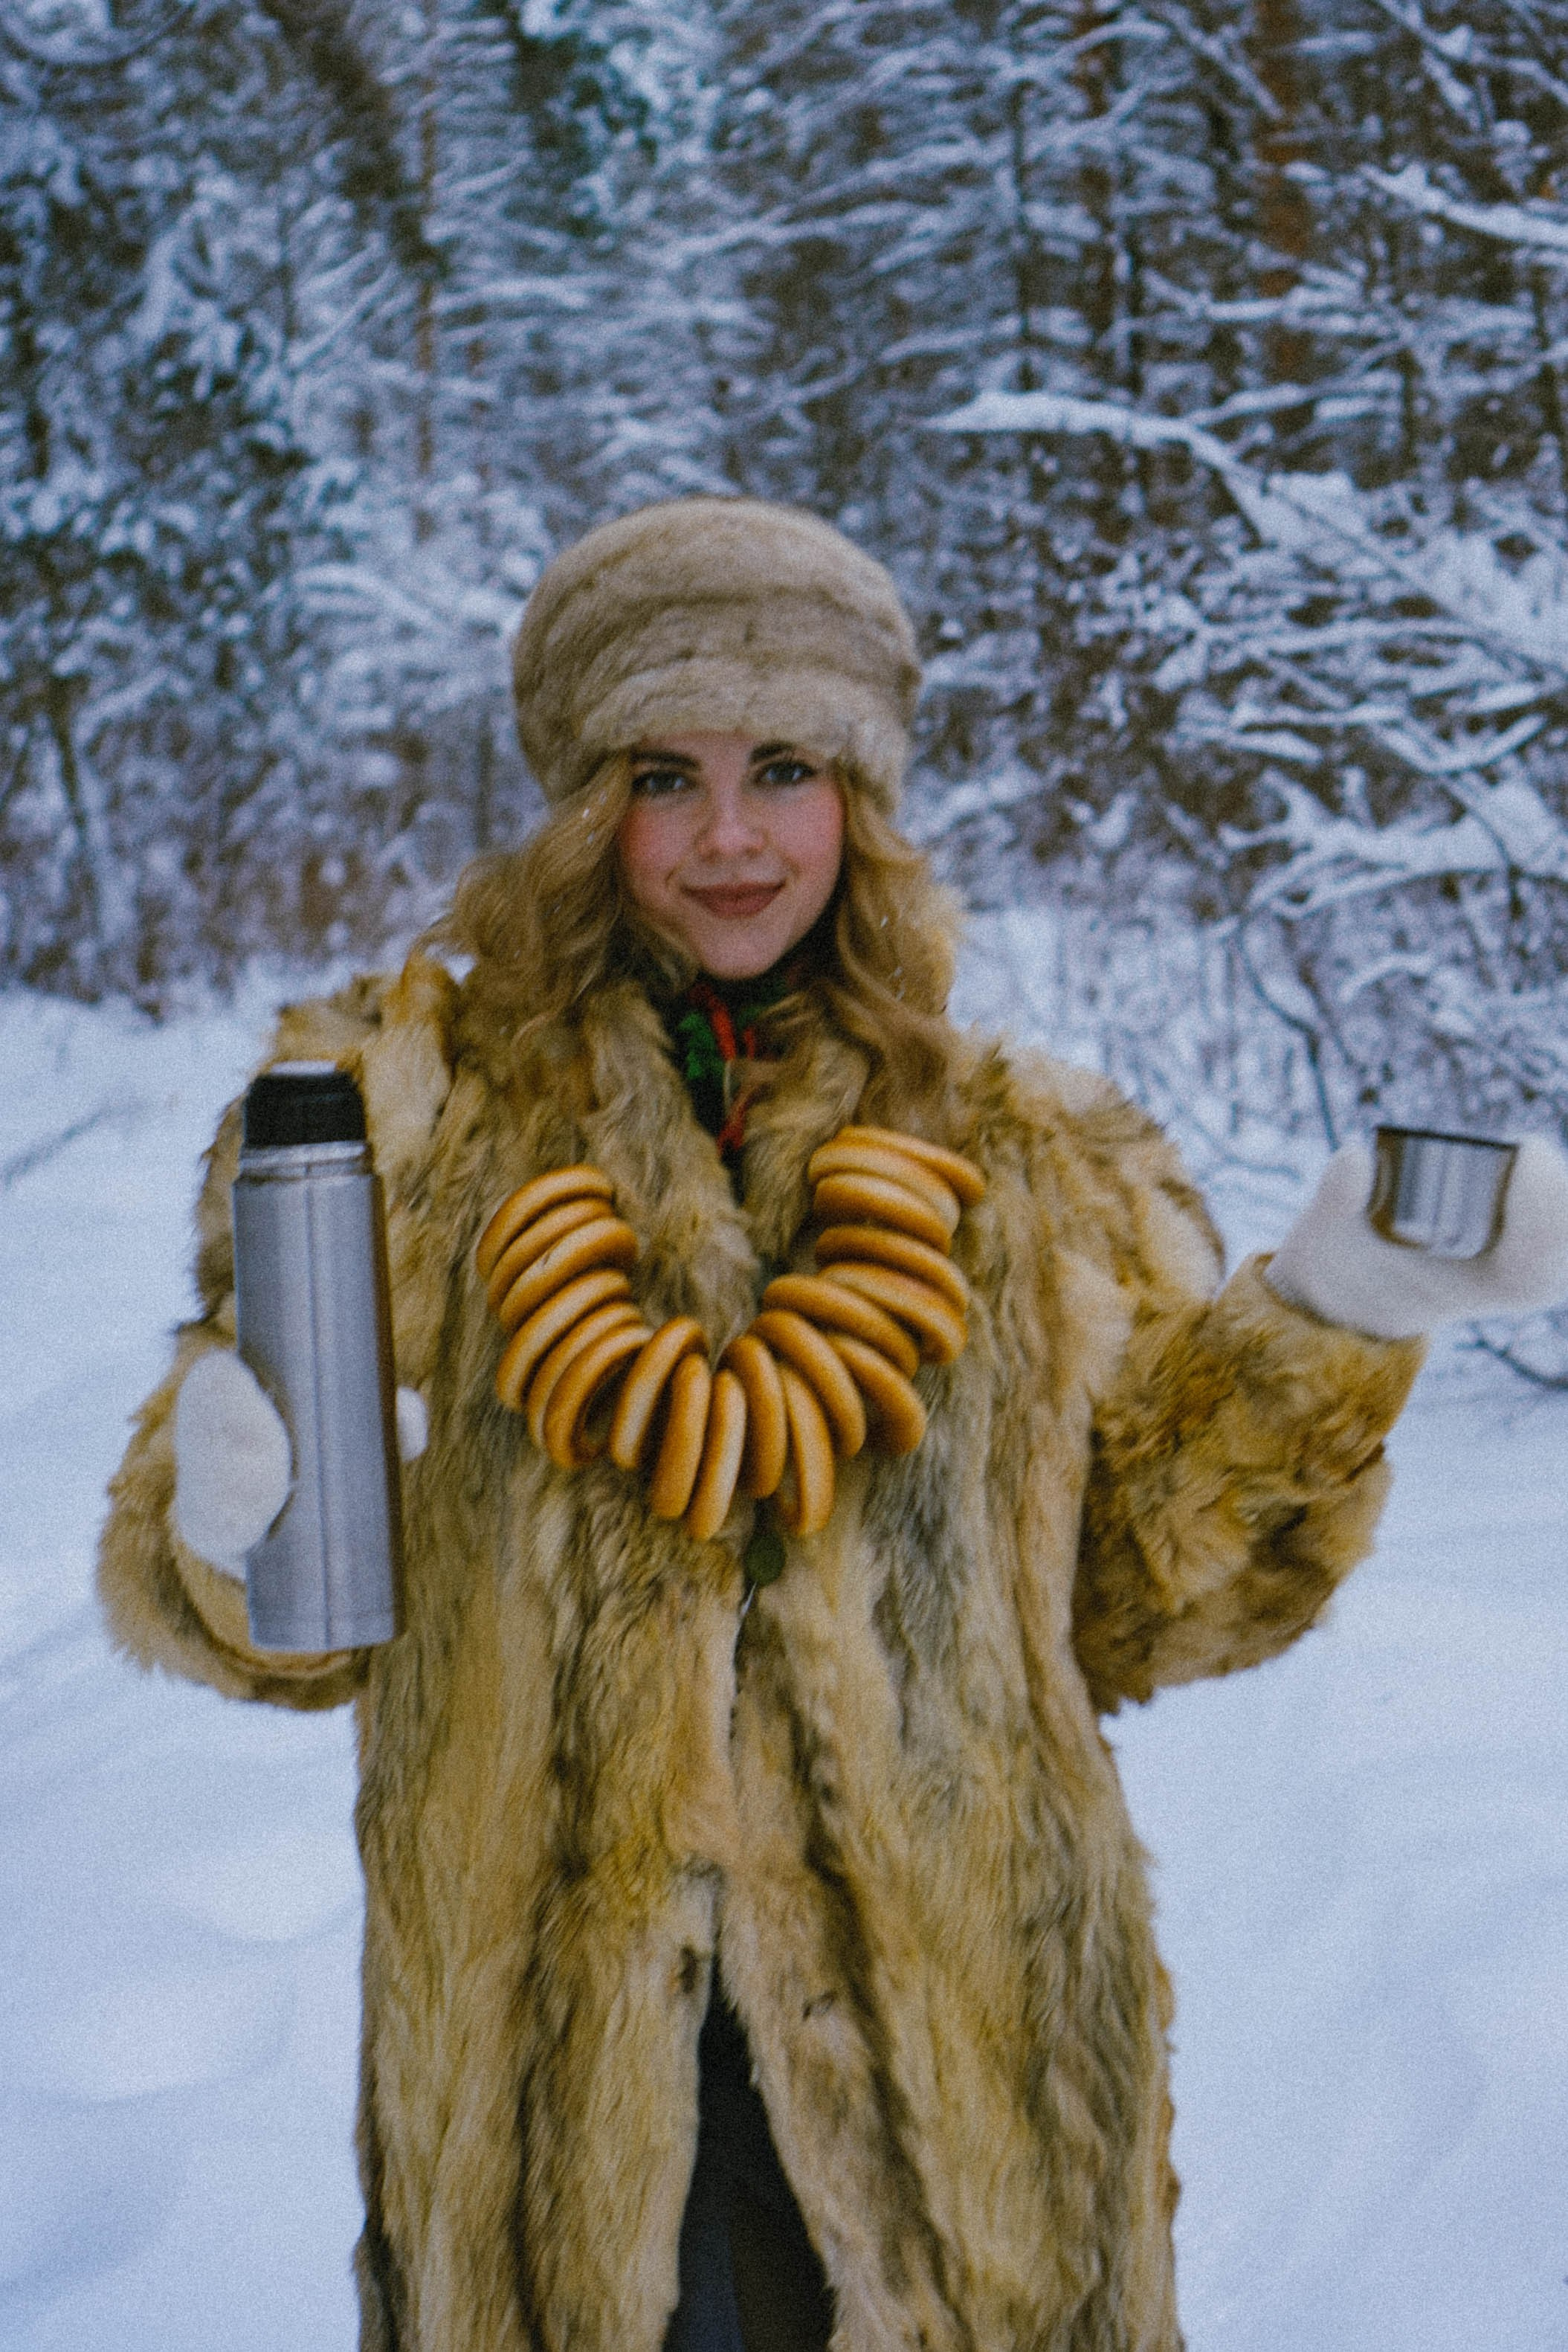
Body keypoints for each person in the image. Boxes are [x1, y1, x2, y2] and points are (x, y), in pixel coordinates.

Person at [98, 497, 1568, 2352]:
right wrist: (228, 1510)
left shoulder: (1022, 1155)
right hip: (551, 2103)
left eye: (782, 768)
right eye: (666, 774)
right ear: (583, 807)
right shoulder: (408, 1133)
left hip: (962, 2095)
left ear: (855, 800)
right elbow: (258, 1606)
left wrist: (1335, 1316)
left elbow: (1137, 1600)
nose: (728, 836)